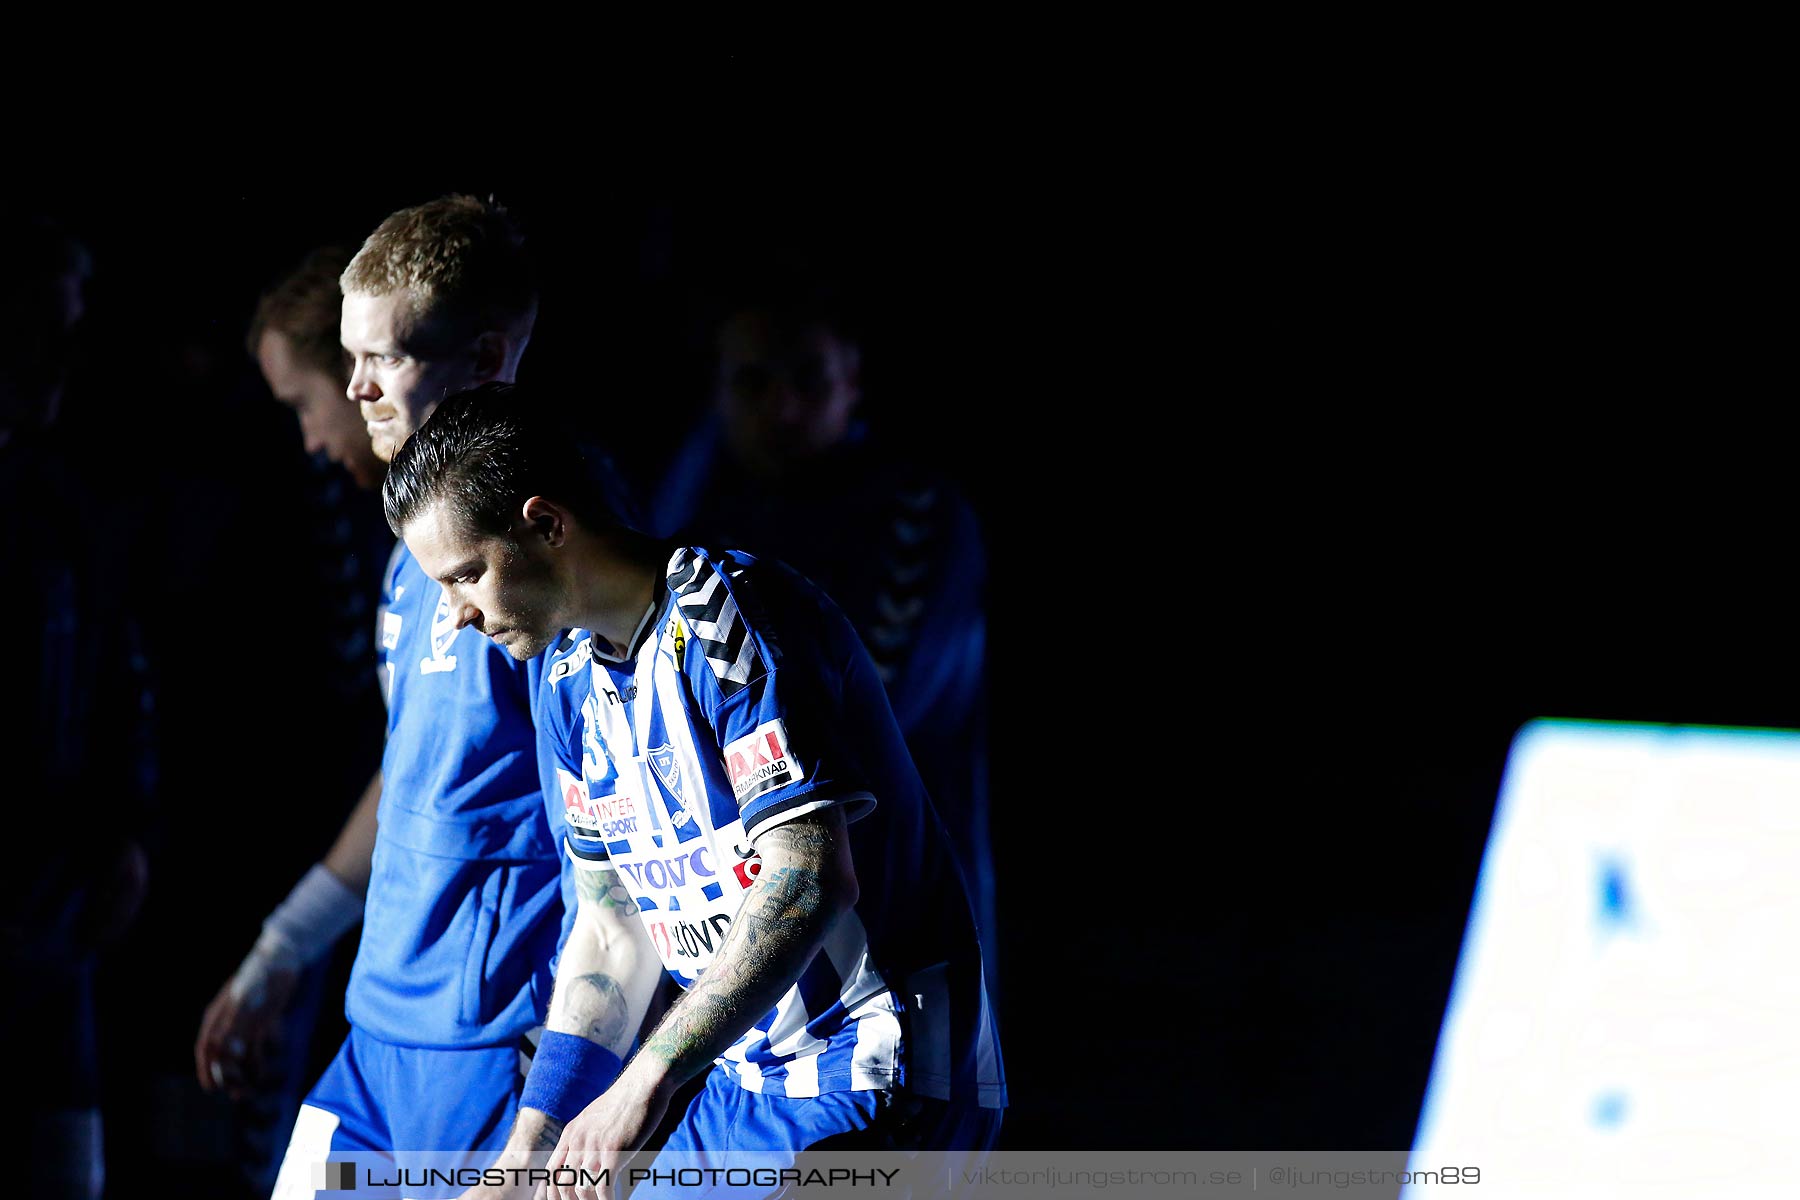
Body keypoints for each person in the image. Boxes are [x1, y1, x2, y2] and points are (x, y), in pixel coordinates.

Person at [384, 384, 1005, 1199]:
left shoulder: (729, 616)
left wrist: (644, 1079)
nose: (457, 615)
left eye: (466, 575)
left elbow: (809, 876)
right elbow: (611, 932)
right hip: (740, 1079)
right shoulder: (566, 681)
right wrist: (524, 1154)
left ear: (546, 523)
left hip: (875, 1066)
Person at [188, 196, 563, 1200]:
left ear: (483, 358)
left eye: (376, 365)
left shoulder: (546, 549)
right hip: (381, 1020)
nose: (348, 400)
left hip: (491, 1032)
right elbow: (412, 776)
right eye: (341, 372)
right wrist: (284, 950)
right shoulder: (412, 556)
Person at [648, 294, 999, 1001]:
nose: (783, 408)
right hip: (740, 893)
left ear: (854, 384)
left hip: (895, 883)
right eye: (753, 383)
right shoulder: (698, 518)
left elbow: (872, 708)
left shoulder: (913, 512)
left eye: (809, 380)